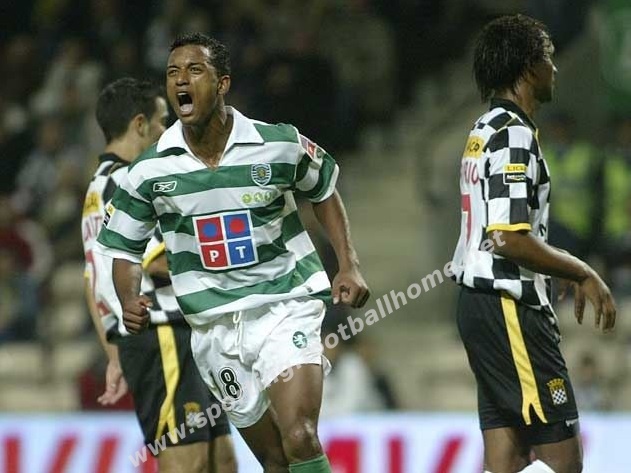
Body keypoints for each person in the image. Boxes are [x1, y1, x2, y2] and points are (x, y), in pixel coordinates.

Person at [96, 33, 370, 472]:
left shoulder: (277, 143)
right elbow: (123, 246)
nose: (181, 80)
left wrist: (348, 263)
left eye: (194, 70)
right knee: (274, 460)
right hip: (213, 329)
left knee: (300, 436)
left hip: (284, 307)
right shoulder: (149, 170)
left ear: (222, 83)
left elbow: (323, 189)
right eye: (172, 72)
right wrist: (129, 298)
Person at [450, 15, 616, 473]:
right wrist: (580, 269)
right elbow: (506, 237)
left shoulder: (484, 128)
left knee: (507, 456)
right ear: (528, 67)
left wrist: (549, 266)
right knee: (563, 459)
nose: (554, 70)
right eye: (549, 58)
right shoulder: (513, 133)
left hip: (480, 304)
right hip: (509, 308)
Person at [82, 77, 237, 473]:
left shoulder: (99, 189)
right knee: (189, 459)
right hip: (161, 331)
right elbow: (154, 261)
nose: (168, 129)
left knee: (222, 459)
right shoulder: (127, 181)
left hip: (177, 335)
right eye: (162, 120)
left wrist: (113, 354)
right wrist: (232, 265)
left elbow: (91, 281)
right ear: (139, 124)